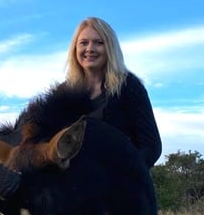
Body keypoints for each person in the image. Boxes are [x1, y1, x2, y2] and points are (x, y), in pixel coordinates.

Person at [64, 16, 162, 168]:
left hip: (121, 186)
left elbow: (151, 147)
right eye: (83, 43)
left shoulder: (129, 87)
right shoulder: (64, 93)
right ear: (75, 48)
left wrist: (124, 175)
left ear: (110, 48)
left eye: (99, 43)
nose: (90, 49)